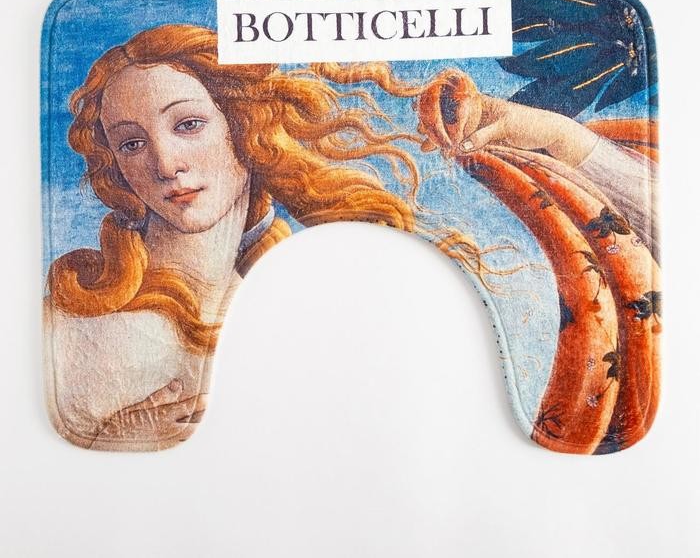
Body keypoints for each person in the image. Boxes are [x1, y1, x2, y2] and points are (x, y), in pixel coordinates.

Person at [45, 24, 657, 451]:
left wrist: (560, 139)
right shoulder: (85, 317)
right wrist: (111, 440)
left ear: (243, 128)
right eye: (132, 143)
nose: (165, 163)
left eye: (188, 125)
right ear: (115, 164)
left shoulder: (258, 287)